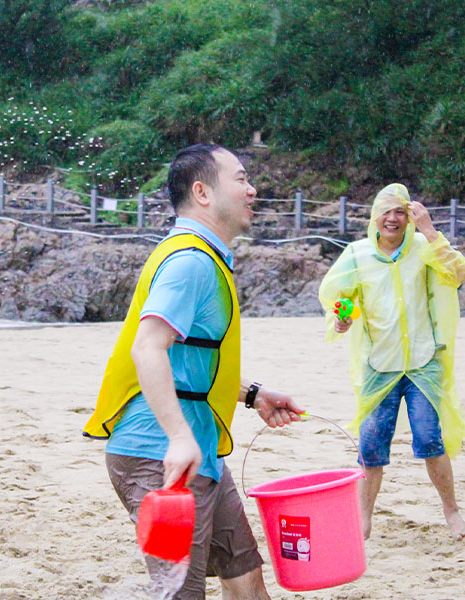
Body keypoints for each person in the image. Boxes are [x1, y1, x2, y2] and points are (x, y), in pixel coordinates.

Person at [83, 144, 304, 599]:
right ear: (203, 192)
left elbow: (189, 359)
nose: (252, 188)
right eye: (240, 178)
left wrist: (253, 394)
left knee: (246, 578)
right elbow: (149, 349)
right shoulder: (190, 262)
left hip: (196, 449)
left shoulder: (201, 256)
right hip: (158, 452)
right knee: (180, 593)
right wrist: (180, 438)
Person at [318, 183, 465, 541]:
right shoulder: (357, 254)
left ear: (409, 217)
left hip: (423, 361)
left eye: (400, 212)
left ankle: (452, 513)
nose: (392, 219)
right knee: (371, 446)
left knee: (430, 438)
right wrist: (342, 319)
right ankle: (363, 521)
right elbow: (338, 297)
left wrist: (431, 231)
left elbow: (457, 273)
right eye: (385, 212)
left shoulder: (423, 248)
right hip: (379, 363)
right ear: (374, 218)